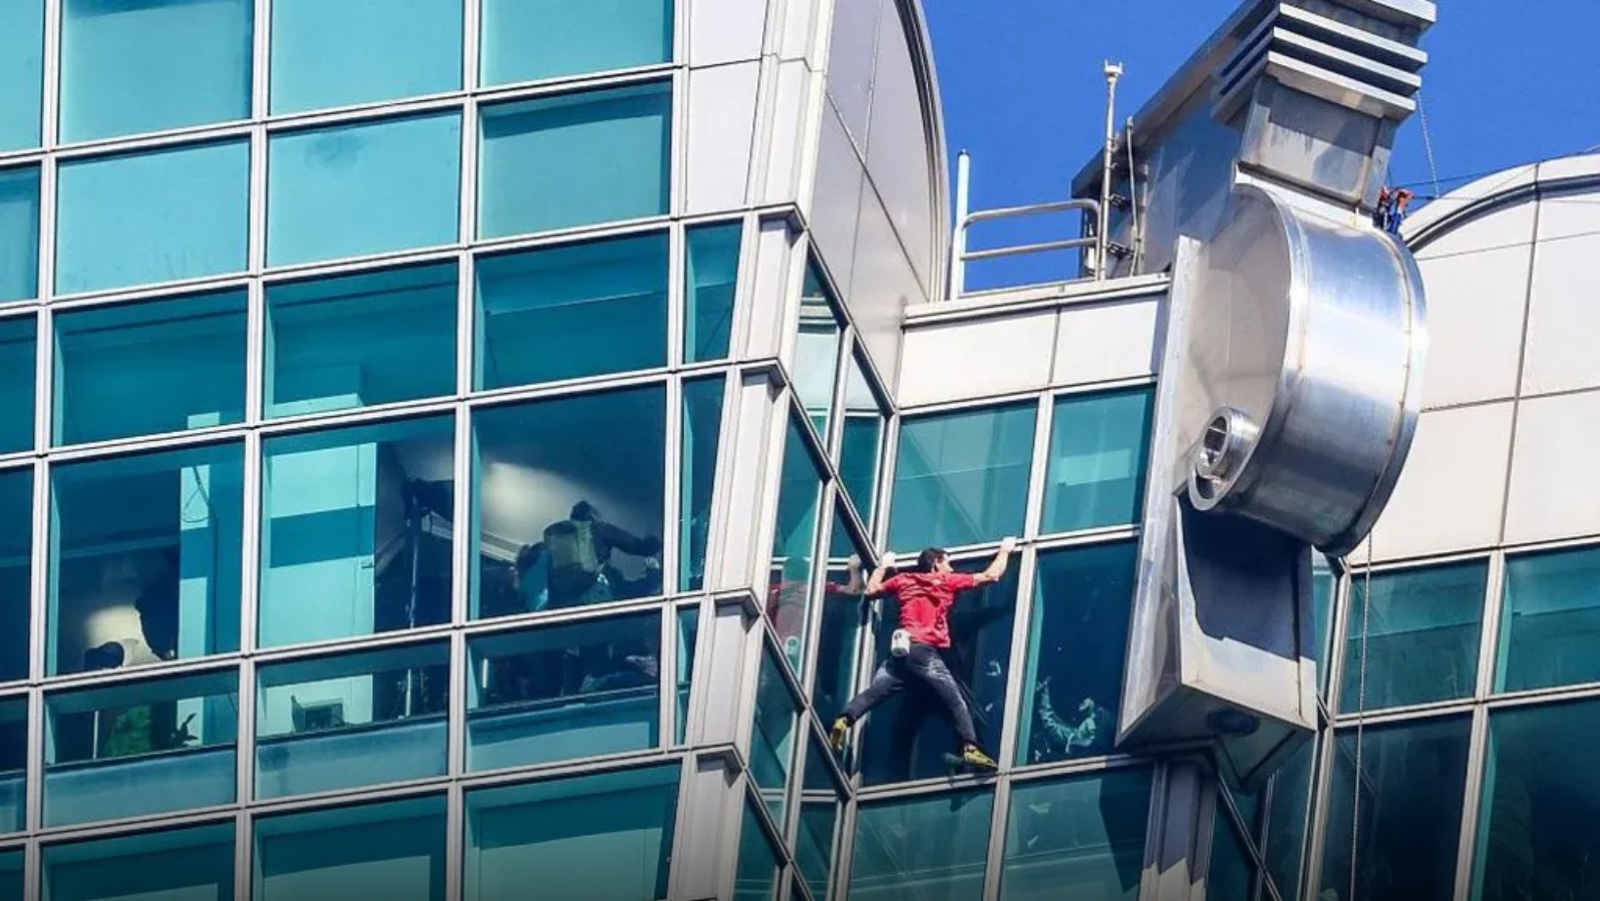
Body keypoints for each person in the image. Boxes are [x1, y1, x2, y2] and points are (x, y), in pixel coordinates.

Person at [829, 538, 1017, 771]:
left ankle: (843, 719)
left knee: (875, 693)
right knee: (956, 701)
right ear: (936, 563)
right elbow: (991, 576)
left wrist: (884, 566)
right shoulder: (946, 581)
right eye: (948, 563)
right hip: (924, 651)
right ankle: (970, 747)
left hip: (901, 651)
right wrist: (1005, 550)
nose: (951, 569)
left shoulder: (904, 579)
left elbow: (871, 590)